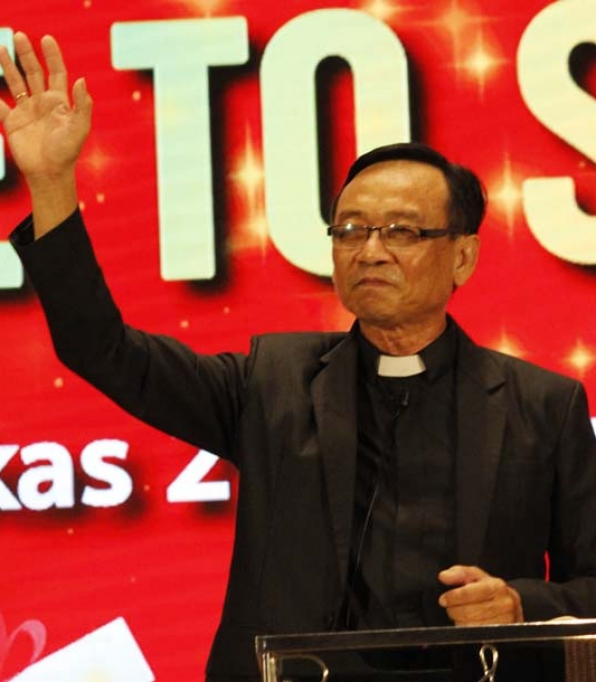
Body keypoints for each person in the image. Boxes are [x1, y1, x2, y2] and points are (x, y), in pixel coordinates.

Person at [2, 32, 596, 682]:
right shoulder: (273, 382)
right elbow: (102, 348)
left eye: (401, 231)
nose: (370, 251)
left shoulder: (544, 406)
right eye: (350, 230)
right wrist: (52, 183)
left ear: (462, 256)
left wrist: (521, 605)